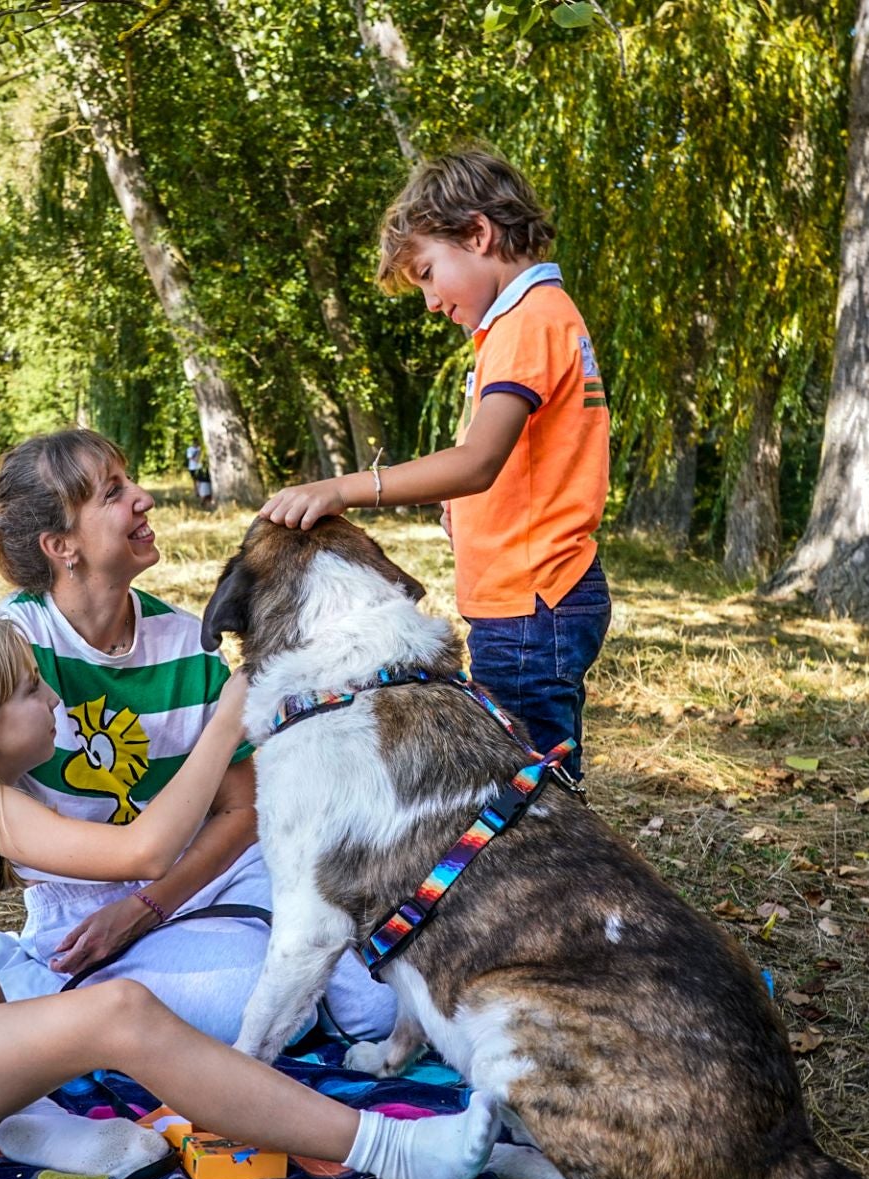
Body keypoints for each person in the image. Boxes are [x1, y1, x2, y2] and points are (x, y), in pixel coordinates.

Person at [0, 618, 495, 1179]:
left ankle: (25, 1124)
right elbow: (142, 854)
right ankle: (391, 1150)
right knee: (119, 1013)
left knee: (42, 1020)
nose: (51, 700)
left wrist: (13, 1058)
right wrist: (230, 715)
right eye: (34, 691)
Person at [0, 430, 394, 1044]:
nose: (144, 499)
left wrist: (151, 907)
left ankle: (123, 995)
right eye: (114, 493)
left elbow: (242, 810)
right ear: (62, 546)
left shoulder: (189, 642)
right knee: (260, 1007)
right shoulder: (7, 653)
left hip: (209, 874)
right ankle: (27, 979)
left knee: (380, 1010)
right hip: (83, 904)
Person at [259, 146, 612, 777]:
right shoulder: (531, 321)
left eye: (427, 272)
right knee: (523, 763)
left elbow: (478, 461)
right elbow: (518, 466)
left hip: (533, 601)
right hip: (529, 596)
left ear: (478, 234)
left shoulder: (527, 325)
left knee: (531, 778)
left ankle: (559, 872)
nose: (429, 301)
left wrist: (347, 488)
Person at [184, 443, 214, 508]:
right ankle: (204, 503)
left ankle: (205, 503)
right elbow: (198, 481)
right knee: (205, 495)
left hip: (206, 482)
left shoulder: (202, 467)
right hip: (204, 481)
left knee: (207, 495)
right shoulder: (200, 468)